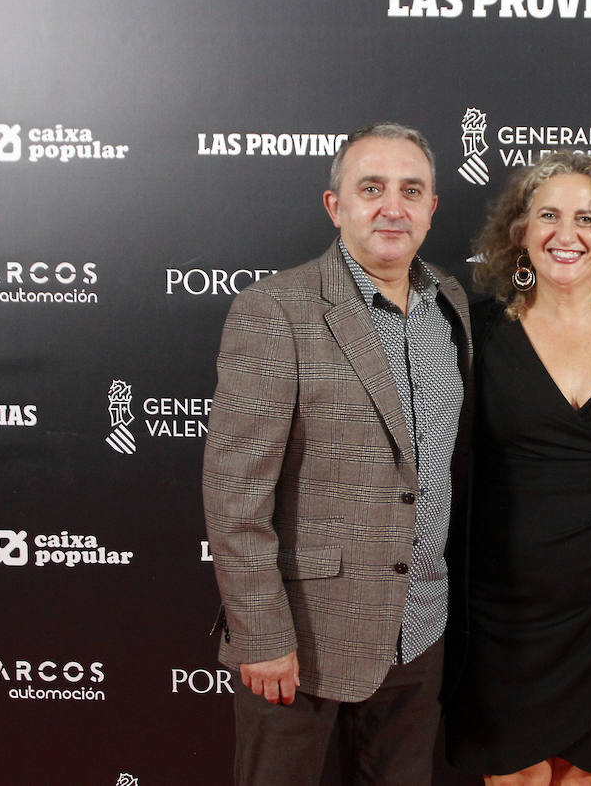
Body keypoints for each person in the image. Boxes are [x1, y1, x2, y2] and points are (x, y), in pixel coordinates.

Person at [201, 122, 472, 786]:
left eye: (412, 191)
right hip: (302, 643)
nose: (392, 207)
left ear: (432, 208)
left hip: (421, 627)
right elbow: (235, 496)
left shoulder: (452, 305)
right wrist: (262, 636)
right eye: (371, 188)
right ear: (336, 205)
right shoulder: (276, 310)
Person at [446, 151, 591, 786]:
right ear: (520, 231)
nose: (566, 234)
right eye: (548, 215)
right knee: (515, 778)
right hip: (505, 607)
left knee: (582, 778)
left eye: (587, 218)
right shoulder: (477, 332)